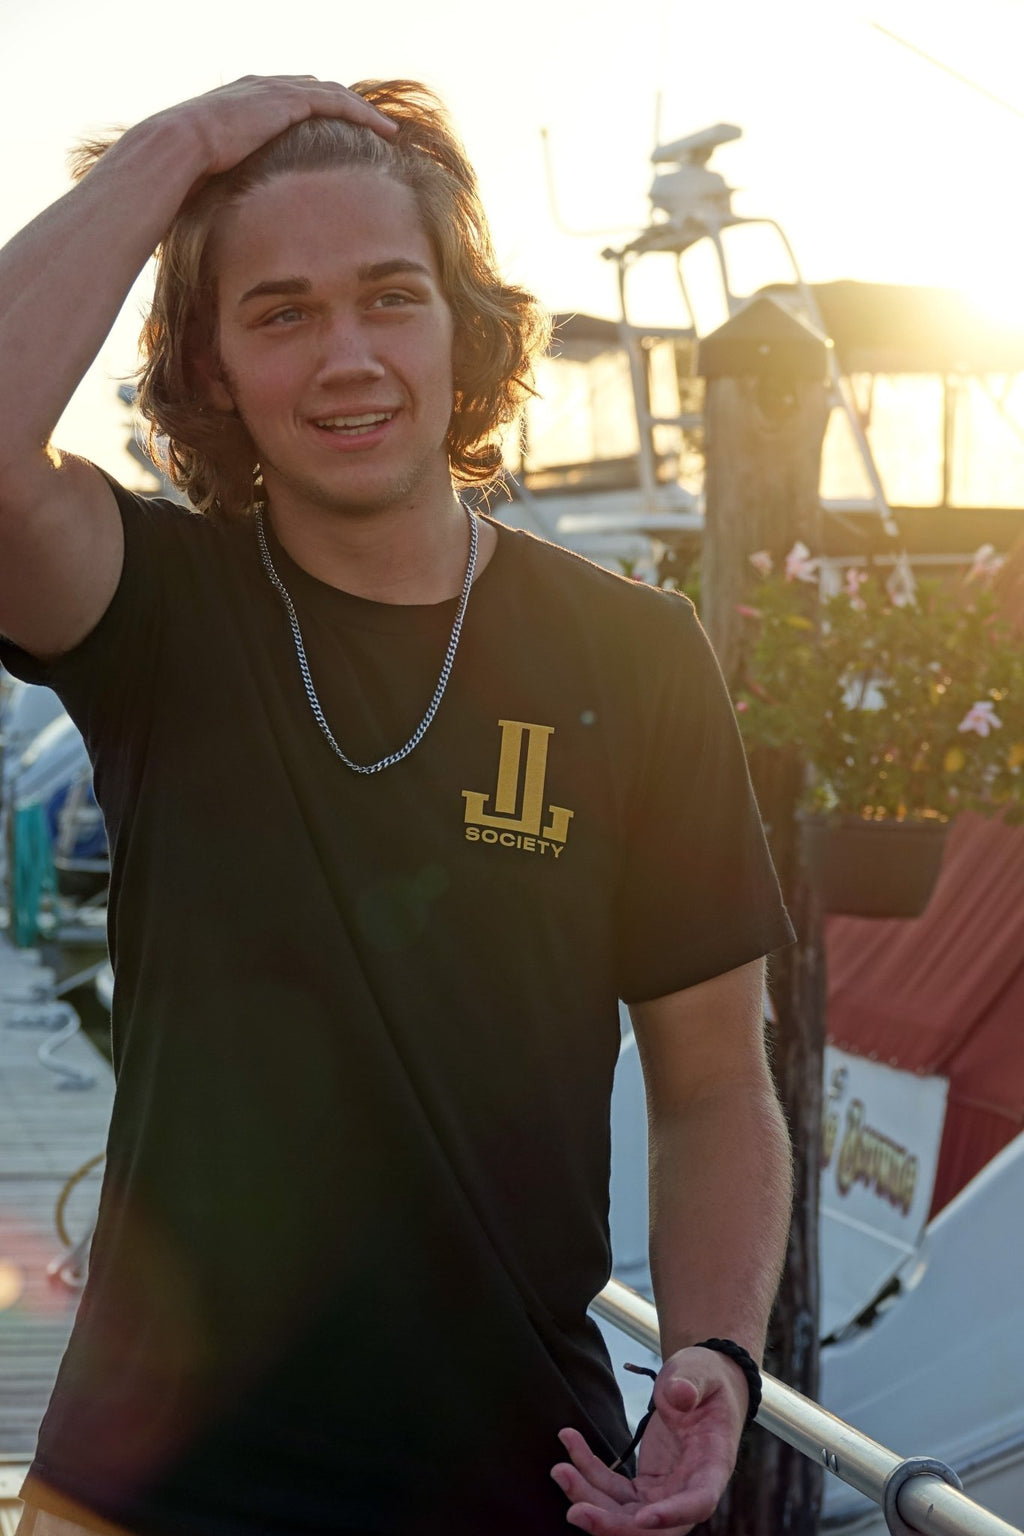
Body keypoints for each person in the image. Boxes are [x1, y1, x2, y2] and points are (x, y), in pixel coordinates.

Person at [0, 76, 794, 1536]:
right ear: (212, 365)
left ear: (461, 325)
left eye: (390, 296)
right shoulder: (154, 606)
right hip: (156, 1488)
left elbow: (713, 1085)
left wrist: (716, 1354)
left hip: (525, 1482)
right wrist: (180, 148)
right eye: (281, 312)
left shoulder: (634, 655)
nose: (348, 357)